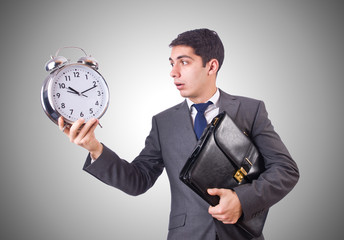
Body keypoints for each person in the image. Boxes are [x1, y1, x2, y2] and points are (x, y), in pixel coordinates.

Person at [58, 28, 299, 240]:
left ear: (211, 66)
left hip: (241, 235)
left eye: (183, 62)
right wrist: (94, 148)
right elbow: (138, 180)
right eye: (171, 63)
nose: (173, 72)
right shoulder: (163, 123)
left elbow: (285, 170)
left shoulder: (250, 110)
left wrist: (241, 200)